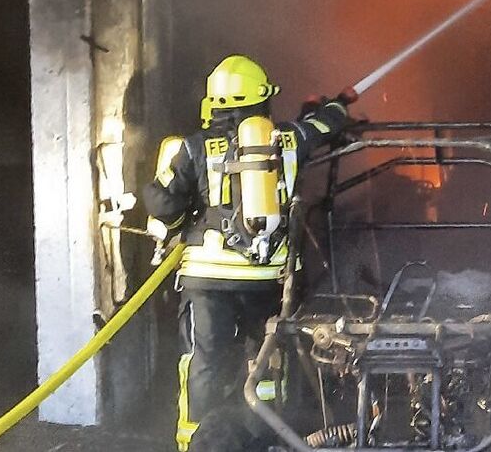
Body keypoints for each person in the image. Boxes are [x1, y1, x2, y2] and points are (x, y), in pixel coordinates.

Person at [143, 55, 355, 451]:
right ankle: (265, 435)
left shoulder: (191, 148)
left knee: (203, 360)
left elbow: (162, 204)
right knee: (267, 360)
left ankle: (196, 440)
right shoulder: (288, 139)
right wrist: (333, 105)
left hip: (206, 282)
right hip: (267, 281)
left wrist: (188, 221)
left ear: (213, 103)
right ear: (262, 101)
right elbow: (325, 127)